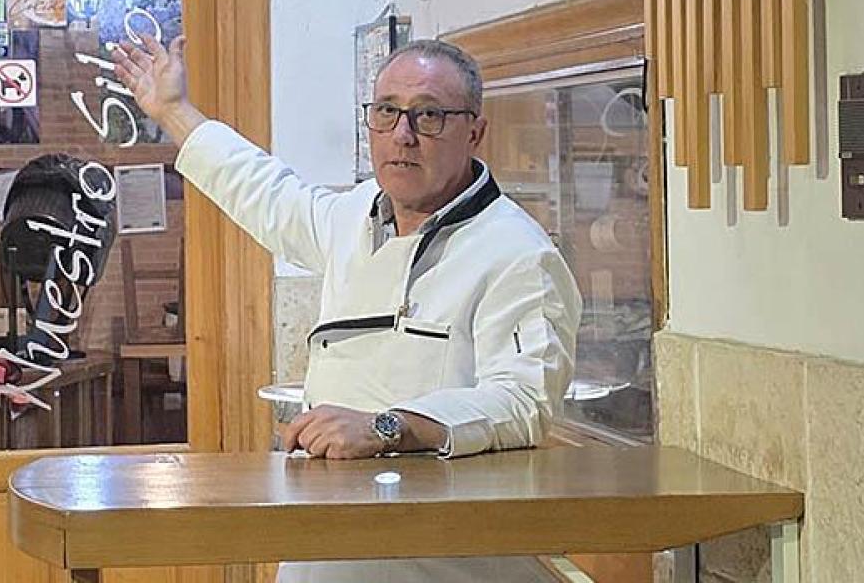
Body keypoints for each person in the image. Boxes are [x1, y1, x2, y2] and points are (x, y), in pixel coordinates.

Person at [111, 34, 581, 582]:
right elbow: (267, 192)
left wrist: (387, 427)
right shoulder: (355, 215)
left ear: (474, 131)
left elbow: (524, 401)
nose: (403, 136)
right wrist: (174, 111)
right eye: (388, 112)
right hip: (326, 549)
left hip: (448, 560)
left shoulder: (517, 252)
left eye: (429, 116)